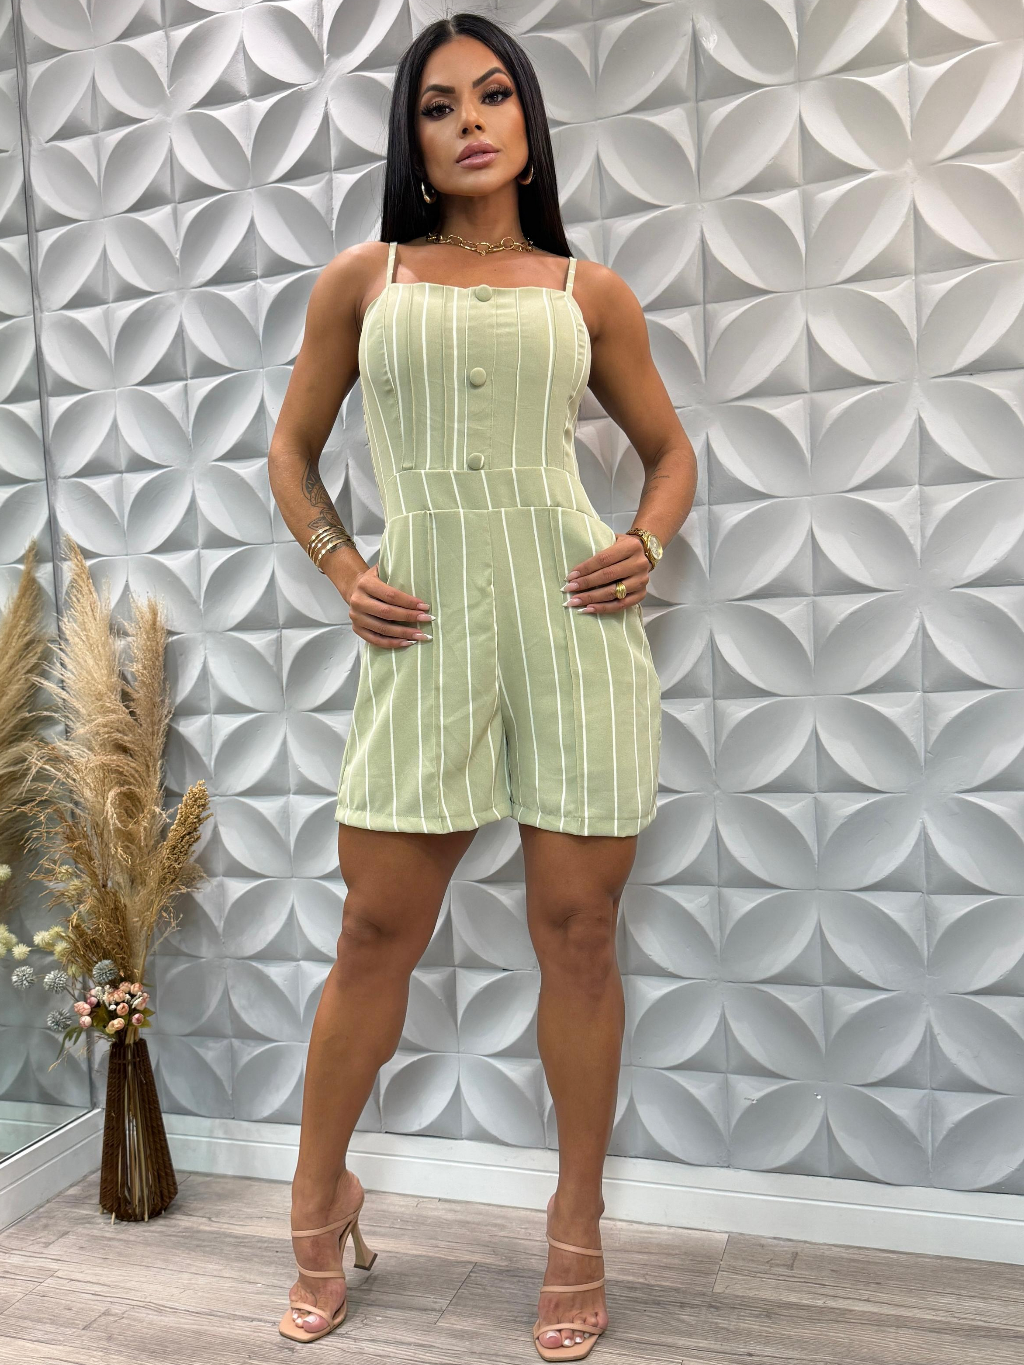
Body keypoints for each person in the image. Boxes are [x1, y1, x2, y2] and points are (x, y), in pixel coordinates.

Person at [267, 12, 696, 1359]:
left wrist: (644, 545)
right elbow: (291, 452)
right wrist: (345, 570)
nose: (469, 121)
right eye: (439, 104)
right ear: (412, 135)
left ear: (527, 121)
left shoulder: (590, 292)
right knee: (372, 931)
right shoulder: (362, 280)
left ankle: (578, 1226)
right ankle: (316, 1200)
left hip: (574, 630)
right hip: (423, 632)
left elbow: (671, 452)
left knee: (579, 933)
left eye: (493, 95)